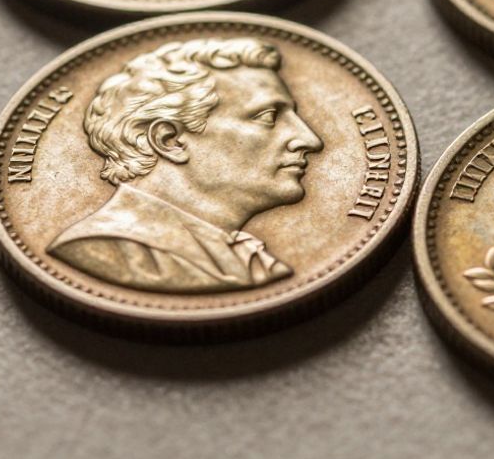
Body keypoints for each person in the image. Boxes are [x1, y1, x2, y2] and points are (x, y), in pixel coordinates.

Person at [48, 38, 323, 293]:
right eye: (268, 116)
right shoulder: (109, 251)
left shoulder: (248, 256)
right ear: (170, 140)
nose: (309, 140)